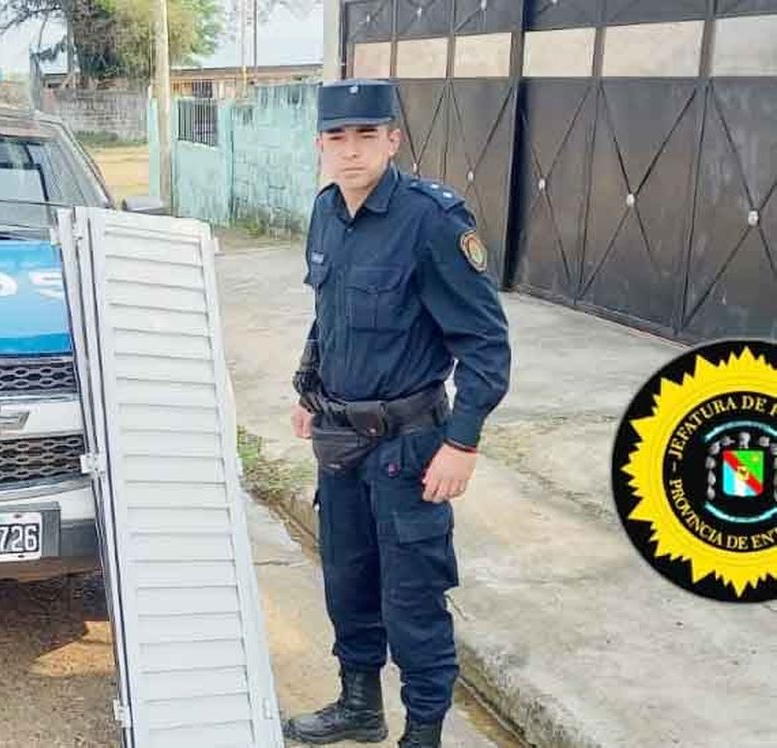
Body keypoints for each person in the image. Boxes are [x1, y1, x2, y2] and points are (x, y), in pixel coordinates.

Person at [284, 79, 511, 748]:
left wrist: (462, 441)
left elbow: (486, 344)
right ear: (321, 144)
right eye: (337, 137)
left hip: (409, 450)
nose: (350, 151)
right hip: (340, 445)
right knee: (348, 585)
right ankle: (359, 708)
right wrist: (308, 389)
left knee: (411, 602)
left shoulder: (432, 221)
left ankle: (425, 732)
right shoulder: (327, 212)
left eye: (365, 135)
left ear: (392, 139)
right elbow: (328, 318)